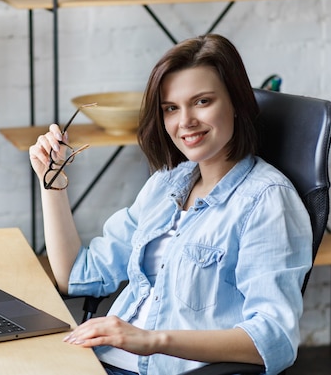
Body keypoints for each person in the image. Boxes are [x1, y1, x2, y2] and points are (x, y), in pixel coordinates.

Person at [28, 34, 312, 375]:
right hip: (99, 361)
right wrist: (52, 182)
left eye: (202, 102)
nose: (185, 121)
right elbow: (77, 276)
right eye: (171, 108)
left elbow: (274, 338)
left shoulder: (267, 200)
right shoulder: (166, 183)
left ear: (236, 103)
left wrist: (150, 340)